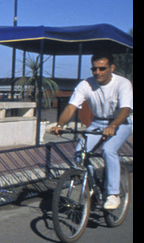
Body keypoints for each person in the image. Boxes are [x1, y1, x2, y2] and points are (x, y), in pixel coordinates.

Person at [50, 52, 133, 209]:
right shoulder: (85, 84)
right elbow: (71, 107)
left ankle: (113, 194)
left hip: (121, 122)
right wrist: (60, 125)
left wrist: (113, 126)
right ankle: (94, 184)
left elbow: (125, 109)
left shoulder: (123, 83)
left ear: (112, 68)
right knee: (79, 153)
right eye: (94, 69)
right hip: (98, 122)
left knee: (109, 150)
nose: (97, 72)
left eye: (102, 68)